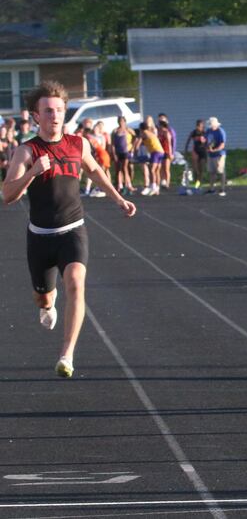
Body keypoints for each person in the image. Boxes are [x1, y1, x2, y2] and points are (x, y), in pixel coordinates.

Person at [2, 80, 136, 377]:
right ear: (36, 116)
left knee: (75, 281)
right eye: (48, 111)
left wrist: (118, 198)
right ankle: (46, 305)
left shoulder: (79, 143)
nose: (55, 116)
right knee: (44, 297)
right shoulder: (26, 151)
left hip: (73, 230)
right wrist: (33, 172)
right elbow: (7, 195)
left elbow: (95, 170)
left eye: (59, 110)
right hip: (40, 237)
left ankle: (67, 354)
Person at [133, 118, 164, 196]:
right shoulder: (151, 133)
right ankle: (157, 188)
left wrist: (135, 154)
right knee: (156, 171)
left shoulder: (143, 133)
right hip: (161, 151)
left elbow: (137, 145)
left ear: (141, 129)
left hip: (155, 152)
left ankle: (153, 186)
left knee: (152, 170)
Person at [110, 116, 136, 195]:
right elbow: (113, 144)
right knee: (118, 169)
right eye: (119, 121)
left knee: (125, 168)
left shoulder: (128, 130)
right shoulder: (115, 131)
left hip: (126, 151)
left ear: (125, 122)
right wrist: (114, 153)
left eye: (122, 121)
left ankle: (128, 185)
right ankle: (120, 185)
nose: (121, 123)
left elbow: (135, 138)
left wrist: (132, 147)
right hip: (118, 152)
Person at [205, 116, 227, 196]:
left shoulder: (220, 131)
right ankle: (212, 189)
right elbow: (206, 141)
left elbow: (222, 144)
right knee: (211, 172)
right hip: (210, 154)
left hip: (219, 154)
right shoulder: (208, 131)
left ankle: (222, 189)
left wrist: (215, 150)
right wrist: (207, 147)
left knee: (220, 170)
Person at [185, 119, 207, 187]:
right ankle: (196, 181)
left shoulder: (205, 133)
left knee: (201, 168)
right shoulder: (193, 132)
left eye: (202, 126)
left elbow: (207, 142)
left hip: (203, 151)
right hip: (195, 151)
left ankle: (199, 182)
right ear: (197, 126)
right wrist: (186, 151)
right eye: (199, 126)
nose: (200, 127)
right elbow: (188, 141)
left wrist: (204, 142)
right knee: (195, 168)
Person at [158, 113, 177, 188]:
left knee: (166, 168)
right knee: (160, 168)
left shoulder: (169, 131)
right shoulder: (158, 131)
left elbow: (172, 142)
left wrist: (172, 153)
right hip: (160, 151)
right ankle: (162, 181)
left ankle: (167, 183)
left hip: (167, 151)